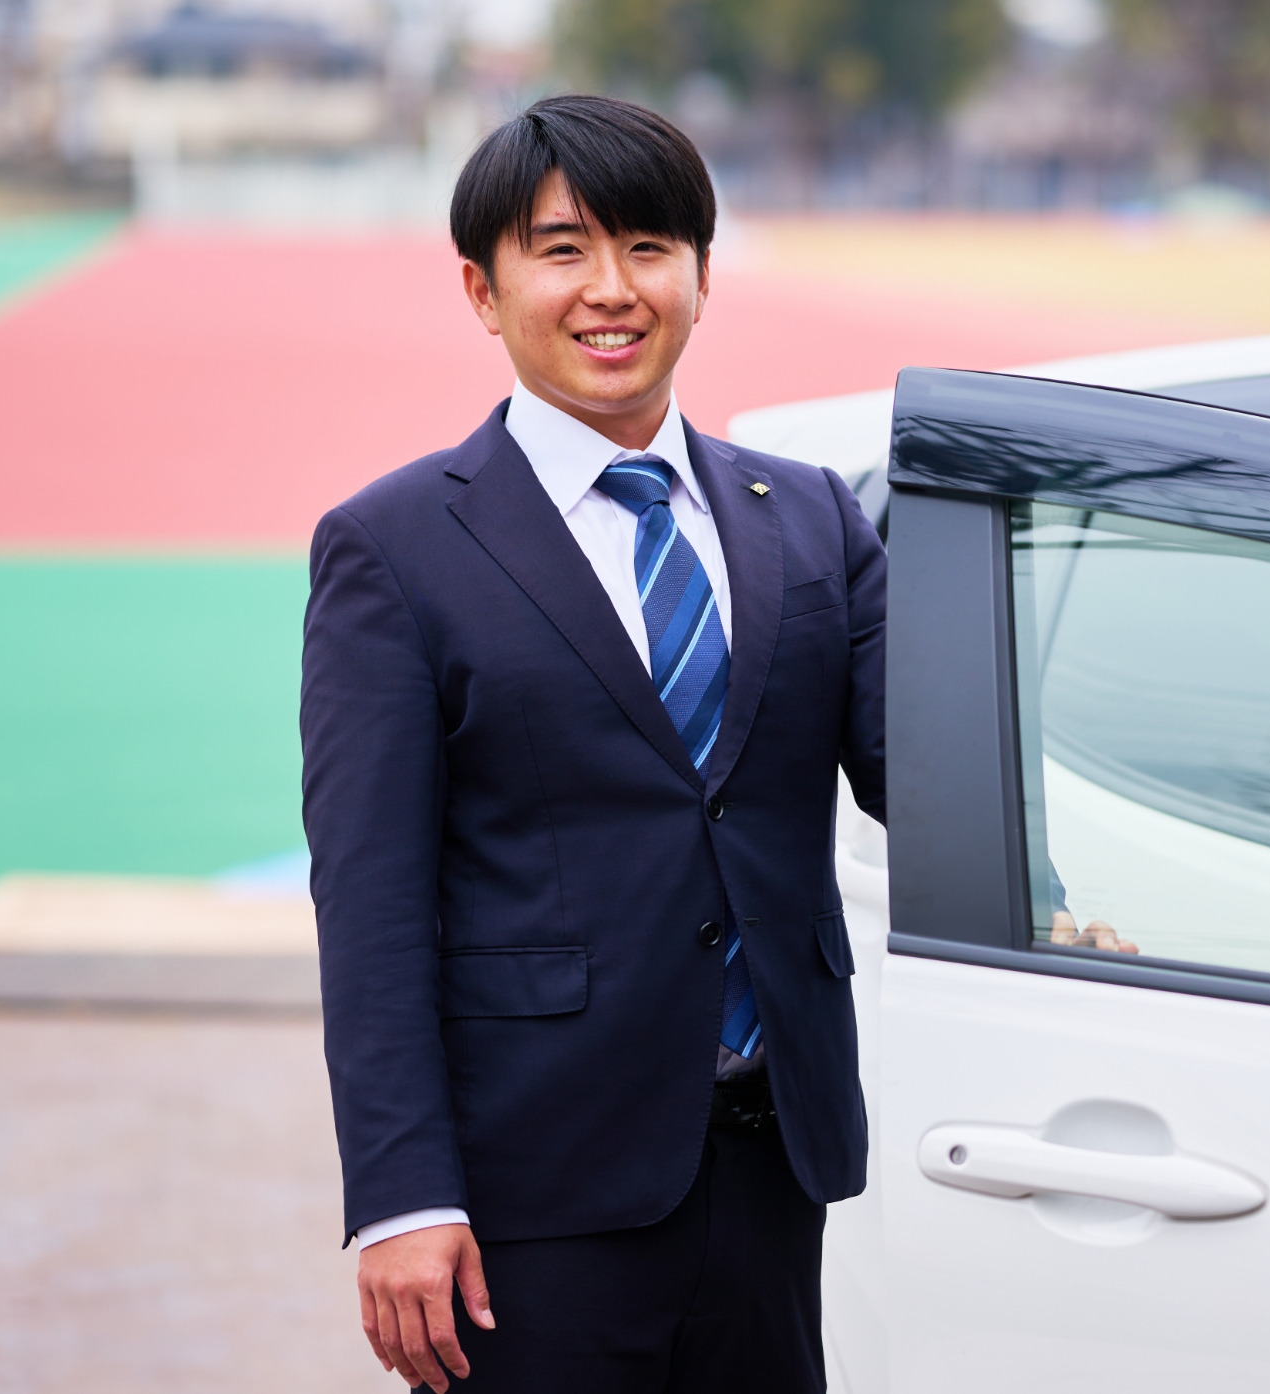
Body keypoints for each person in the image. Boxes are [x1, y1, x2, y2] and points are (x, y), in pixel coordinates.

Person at [300, 95, 884, 1394]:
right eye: (562, 250)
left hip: (770, 1160)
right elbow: (371, 902)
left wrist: (1066, 893)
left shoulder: (810, 519)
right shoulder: (394, 547)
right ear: (483, 288)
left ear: (701, 277)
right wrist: (401, 1196)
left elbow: (924, 774)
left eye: (648, 248)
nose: (611, 290)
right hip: (532, 1189)